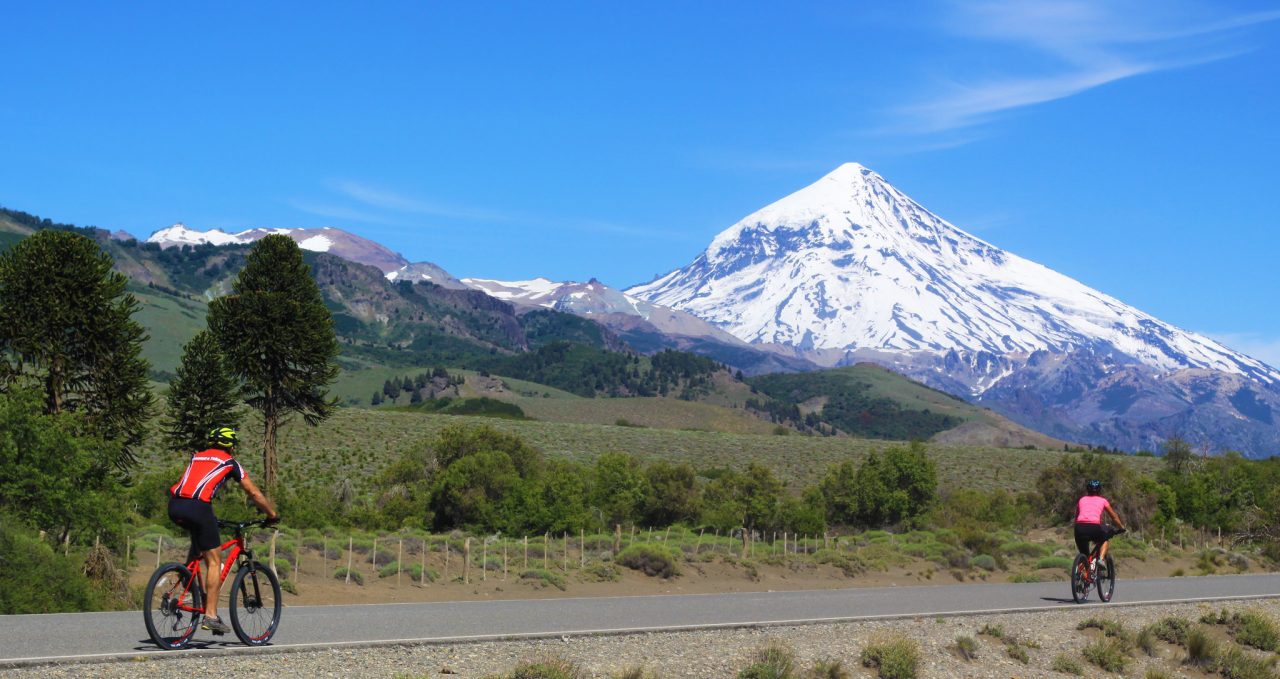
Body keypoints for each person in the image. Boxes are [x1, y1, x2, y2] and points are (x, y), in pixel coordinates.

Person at [168, 427, 278, 635]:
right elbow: (253, 492)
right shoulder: (229, 462)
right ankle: (210, 616)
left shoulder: (197, 457)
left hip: (175, 505)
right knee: (214, 561)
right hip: (198, 506)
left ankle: (187, 575)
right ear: (230, 446)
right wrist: (271, 514)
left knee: (199, 542)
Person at [1074, 479, 1125, 574]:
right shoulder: (1103, 501)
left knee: (1085, 555)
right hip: (1094, 527)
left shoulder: (1081, 500)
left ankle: (1080, 576)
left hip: (1079, 528)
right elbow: (1114, 517)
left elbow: (1076, 517)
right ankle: (1101, 560)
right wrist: (1121, 527)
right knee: (1105, 538)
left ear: (1087, 490)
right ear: (1099, 490)